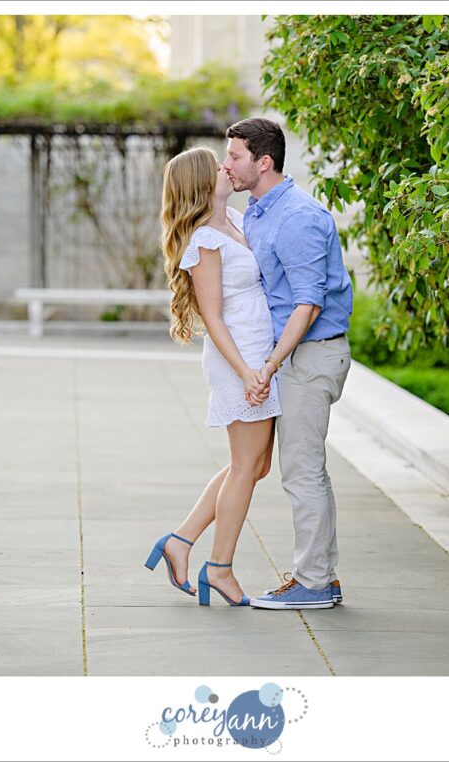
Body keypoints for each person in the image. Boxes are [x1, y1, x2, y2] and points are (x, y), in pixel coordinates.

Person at [222, 117, 354, 610]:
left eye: (234, 156)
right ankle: (321, 578)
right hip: (292, 355)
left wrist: (271, 364)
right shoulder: (257, 211)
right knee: (296, 468)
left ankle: (314, 583)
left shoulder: (297, 217)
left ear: (264, 162)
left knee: (302, 471)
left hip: (309, 355)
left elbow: (308, 303)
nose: (226, 164)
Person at [144, 146, 281, 607]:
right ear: (202, 183)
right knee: (246, 466)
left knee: (256, 465)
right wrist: (246, 372)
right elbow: (213, 316)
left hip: (258, 355)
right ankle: (219, 568)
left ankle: (180, 541)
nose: (226, 168)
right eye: (217, 166)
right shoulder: (204, 240)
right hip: (238, 359)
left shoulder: (237, 220)